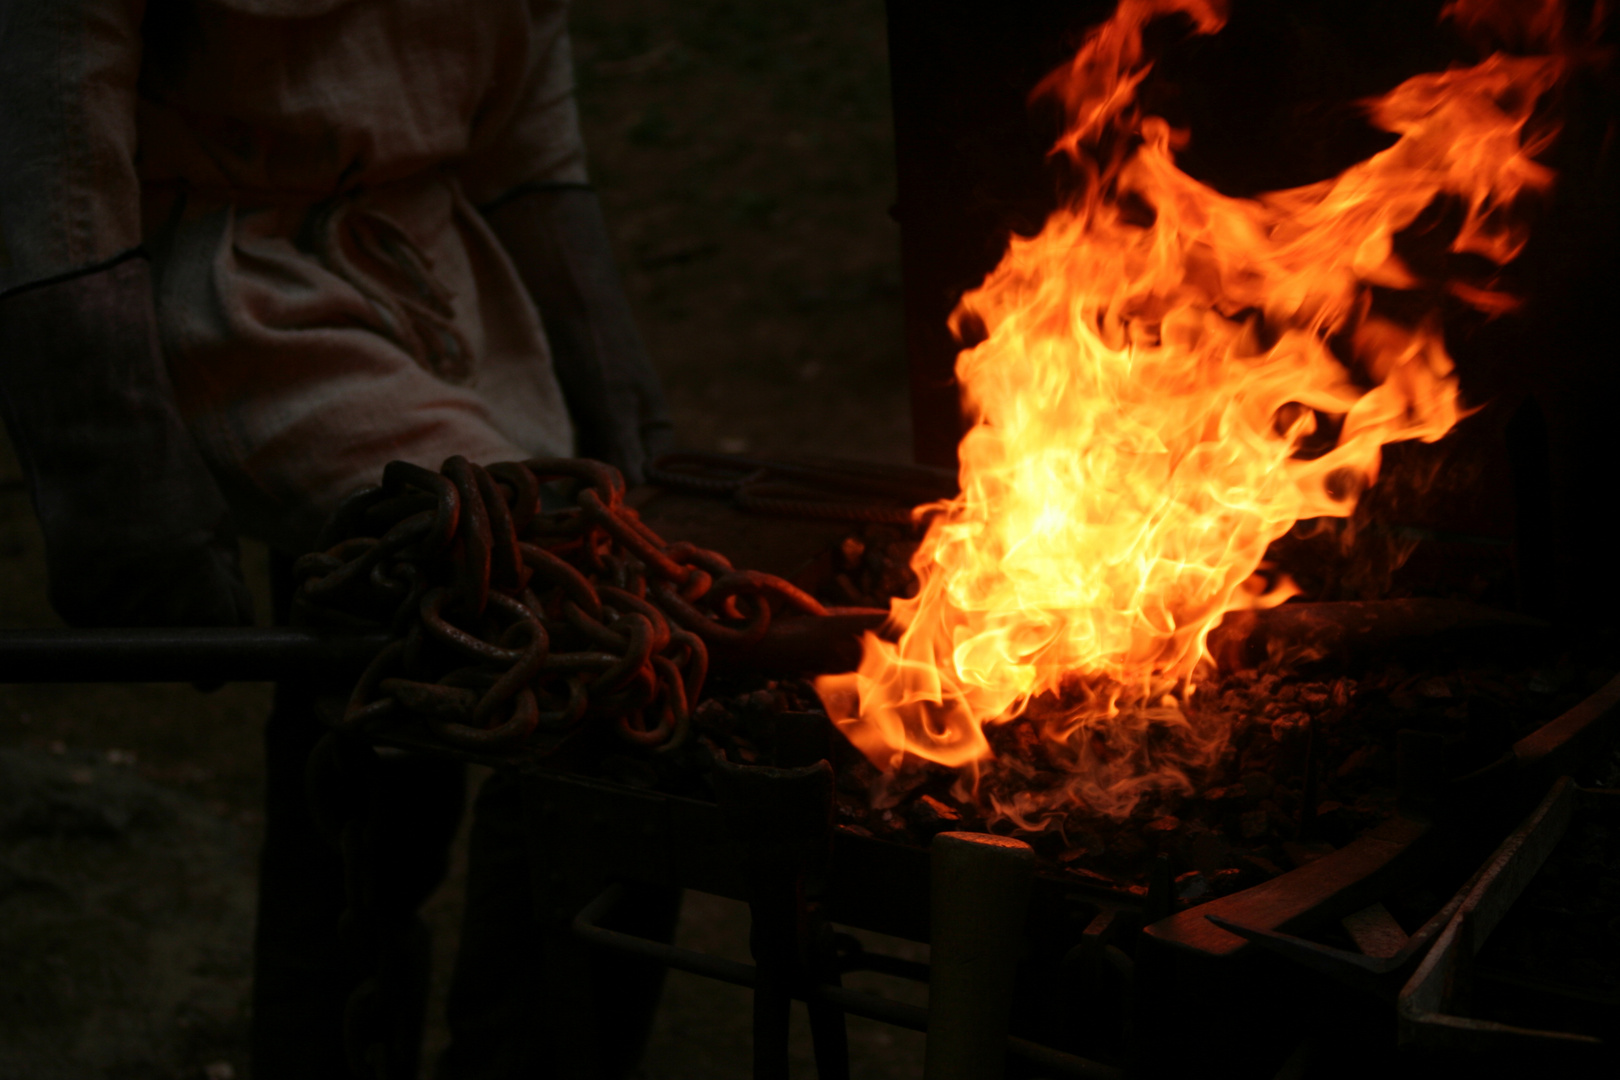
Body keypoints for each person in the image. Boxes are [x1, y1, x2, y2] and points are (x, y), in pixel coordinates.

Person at [0, 1, 676, 1075]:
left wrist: (604, 355)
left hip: (446, 289)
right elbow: (52, 148)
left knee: (395, 713)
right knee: (579, 663)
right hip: (243, 298)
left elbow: (526, 123)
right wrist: (112, 461)